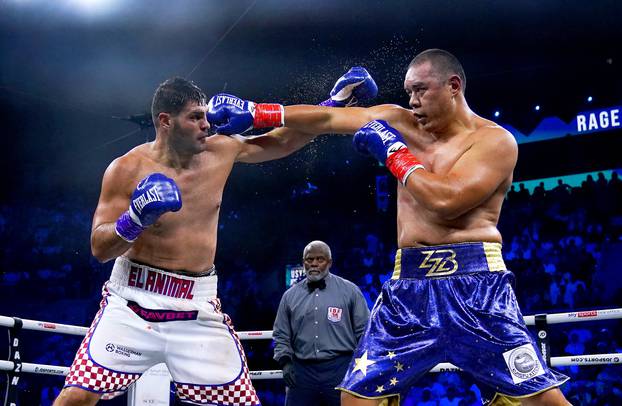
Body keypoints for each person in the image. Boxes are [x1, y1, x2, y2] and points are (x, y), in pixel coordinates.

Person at [207, 49, 571, 405]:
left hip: (476, 288)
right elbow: (327, 121)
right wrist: (258, 112)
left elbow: (447, 202)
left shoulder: (494, 141)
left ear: (453, 86)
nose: (412, 101)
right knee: (357, 399)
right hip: (408, 288)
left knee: (540, 400)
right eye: (408, 91)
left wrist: (393, 153)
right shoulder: (399, 122)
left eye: (420, 90)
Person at [53, 69, 377, 406]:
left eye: (205, 116)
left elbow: (283, 140)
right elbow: (99, 248)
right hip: (131, 302)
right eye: (195, 118)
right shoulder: (127, 168)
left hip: (197, 307)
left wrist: (336, 102)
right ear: (165, 121)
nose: (207, 125)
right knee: (74, 398)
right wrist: (135, 218)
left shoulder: (219, 150)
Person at [273, 240, 370, 406]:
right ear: (303, 262)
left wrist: (360, 365)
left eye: (320, 259)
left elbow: (365, 331)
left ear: (329, 262)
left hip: (340, 368)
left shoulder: (350, 291)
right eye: (309, 260)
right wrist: (285, 361)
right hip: (302, 371)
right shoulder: (290, 296)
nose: (314, 264)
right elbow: (281, 333)